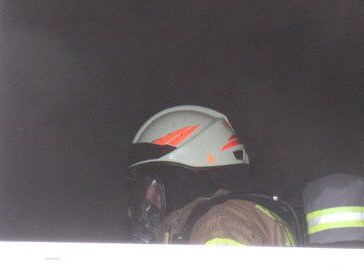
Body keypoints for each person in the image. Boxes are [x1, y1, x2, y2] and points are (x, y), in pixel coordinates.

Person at [126, 105, 297, 246]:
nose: (147, 199)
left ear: (186, 181)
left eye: (155, 187)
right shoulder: (223, 220)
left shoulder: (219, 229)